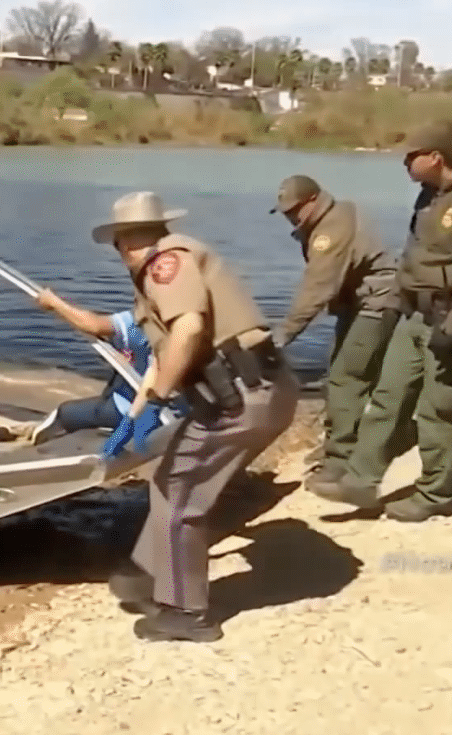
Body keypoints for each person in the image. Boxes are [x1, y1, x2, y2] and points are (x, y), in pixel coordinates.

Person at [92, 191, 299, 643]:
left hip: (241, 396)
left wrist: (164, 393)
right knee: (175, 476)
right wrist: (143, 403)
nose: (120, 253)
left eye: (119, 243)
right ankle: (147, 573)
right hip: (261, 389)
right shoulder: (181, 257)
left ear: (128, 243)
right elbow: (162, 354)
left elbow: (188, 328)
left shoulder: (165, 265)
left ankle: (185, 612)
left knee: (177, 493)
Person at [308, 122, 452, 522]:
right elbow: (415, 255)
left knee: (439, 409)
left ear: (435, 157)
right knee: (388, 395)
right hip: (413, 315)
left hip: (451, 320)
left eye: (410, 156)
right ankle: (361, 480)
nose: (404, 162)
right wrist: (398, 302)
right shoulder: (428, 196)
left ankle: (436, 492)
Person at [267, 175, 401, 480]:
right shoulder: (331, 218)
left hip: (377, 302)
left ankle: (341, 459)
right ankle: (339, 442)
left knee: (346, 377)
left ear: (313, 201)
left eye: (294, 210)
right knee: (341, 371)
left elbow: (317, 288)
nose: (290, 218)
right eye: (286, 212)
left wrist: (283, 334)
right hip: (360, 303)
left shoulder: (331, 229)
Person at [29, 290, 156, 443]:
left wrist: (54, 302)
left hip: (127, 409)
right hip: (171, 411)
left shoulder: (140, 323)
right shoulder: (182, 330)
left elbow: (93, 325)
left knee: (64, 412)